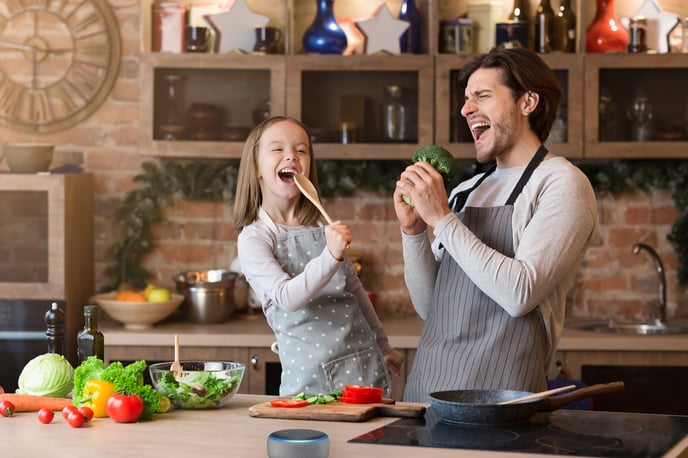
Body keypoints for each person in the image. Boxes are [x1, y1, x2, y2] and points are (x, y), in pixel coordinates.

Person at [394, 48, 598, 403]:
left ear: (528, 102)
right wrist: (414, 232)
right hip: (425, 395)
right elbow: (431, 306)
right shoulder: (465, 191)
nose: (466, 108)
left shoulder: (561, 183)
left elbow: (520, 294)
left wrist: (442, 219)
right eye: (466, 98)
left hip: (503, 404)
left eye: (482, 96)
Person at [234, 115, 404, 397]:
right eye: (277, 149)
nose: (291, 155)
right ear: (256, 168)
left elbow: (355, 290)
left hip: (362, 364)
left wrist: (384, 346)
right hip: (309, 379)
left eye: (301, 150)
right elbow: (287, 298)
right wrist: (330, 256)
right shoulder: (255, 238)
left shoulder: (320, 227)